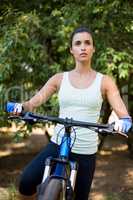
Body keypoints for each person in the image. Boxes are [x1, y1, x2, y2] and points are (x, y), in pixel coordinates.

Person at [10, 27, 132, 200]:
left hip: (86, 150)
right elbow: (32, 103)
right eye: (78, 43)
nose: (83, 47)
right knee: (26, 183)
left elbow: (123, 113)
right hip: (58, 143)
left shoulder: (105, 82)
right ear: (71, 50)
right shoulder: (59, 78)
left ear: (93, 49)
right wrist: (20, 107)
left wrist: (124, 121)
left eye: (87, 43)